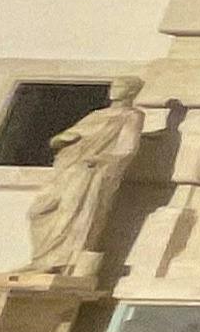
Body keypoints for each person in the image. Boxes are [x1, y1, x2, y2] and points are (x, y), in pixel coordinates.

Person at [21, 88, 146, 281]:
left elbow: (126, 149)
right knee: (39, 211)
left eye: (122, 85)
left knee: (73, 214)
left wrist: (100, 159)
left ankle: (59, 263)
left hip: (90, 172)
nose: (116, 89)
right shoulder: (96, 115)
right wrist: (63, 139)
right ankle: (42, 259)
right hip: (69, 168)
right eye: (115, 85)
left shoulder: (132, 116)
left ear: (131, 91)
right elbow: (63, 137)